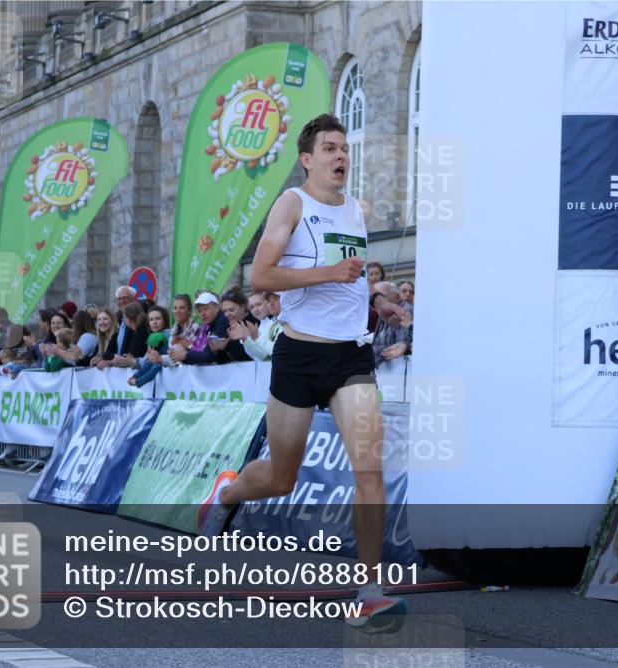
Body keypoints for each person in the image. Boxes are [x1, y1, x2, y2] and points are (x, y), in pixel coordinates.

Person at [198, 114, 408, 630]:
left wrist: (377, 299)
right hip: (298, 355)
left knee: (370, 469)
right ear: (307, 159)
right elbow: (263, 276)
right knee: (280, 477)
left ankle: (370, 590)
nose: (341, 156)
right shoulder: (293, 204)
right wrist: (330, 273)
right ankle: (225, 493)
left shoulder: (358, 211)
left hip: (351, 360)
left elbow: (353, 279)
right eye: (330, 148)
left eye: (345, 148)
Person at [168, 292, 230, 365]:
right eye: (200, 311)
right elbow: (205, 355)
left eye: (206, 309)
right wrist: (175, 356)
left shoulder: (222, 321)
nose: (203, 314)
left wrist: (186, 353)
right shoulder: (209, 325)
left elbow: (209, 356)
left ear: (217, 307)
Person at [229, 292, 283, 361]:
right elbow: (259, 357)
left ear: (266, 303)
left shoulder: (277, 323)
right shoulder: (258, 327)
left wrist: (255, 338)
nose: (256, 309)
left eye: (258, 304)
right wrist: (245, 339)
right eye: (252, 307)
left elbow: (274, 352)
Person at [371, 281, 413, 366]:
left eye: (382, 298)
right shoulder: (384, 313)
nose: (378, 303)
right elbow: (377, 344)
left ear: (397, 296)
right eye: (374, 300)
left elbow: (399, 346)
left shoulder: (404, 311)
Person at [220, 288, 260, 362]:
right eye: (225, 311)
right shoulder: (228, 325)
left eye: (231, 310)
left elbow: (253, 354)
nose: (227, 314)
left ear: (242, 306)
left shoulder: (254, 322)